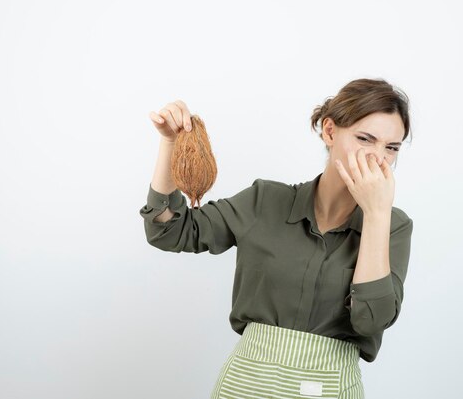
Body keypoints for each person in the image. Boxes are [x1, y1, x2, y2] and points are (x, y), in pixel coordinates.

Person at [139, 78, 414, 399]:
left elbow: (371, 322)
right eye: (365, 139)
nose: (378, 158)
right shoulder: (264, 201)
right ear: (329, 131)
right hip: (244, 386)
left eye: (391, 147)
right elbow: (169, 231)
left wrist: (377, 215)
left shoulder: (392, 226)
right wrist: (170, 144)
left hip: (329, 389)